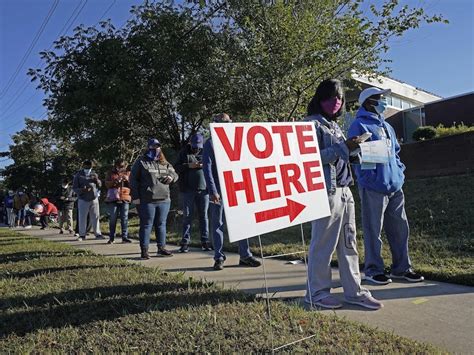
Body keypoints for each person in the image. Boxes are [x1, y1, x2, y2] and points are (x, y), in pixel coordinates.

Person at [303, 79, 383, 310]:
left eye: (339, 98)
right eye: (331, 97)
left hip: (346, 189)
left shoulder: (335, 126)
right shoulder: (311, 125)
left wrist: (355, 150)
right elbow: (312, 160)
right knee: (323, 244)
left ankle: (354, 290)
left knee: (349, 242)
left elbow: (340, 156)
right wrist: (343, 148)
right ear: (320, 99)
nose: (336, 102)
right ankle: (316, 292)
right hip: (325, 191)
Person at [348, 87, 424, 284]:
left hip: (395, 186)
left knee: (400, 230)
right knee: (374, 230)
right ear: (368, 102)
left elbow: (396, 152)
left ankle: (402, 268)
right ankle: (374, 269)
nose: (383, 101)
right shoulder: (359, 124)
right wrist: (370, 178)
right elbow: (355, 155)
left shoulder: (387, 126)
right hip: (373, 187)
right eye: (379, 98)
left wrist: (399, 172)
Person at [202, 113, 261, 271]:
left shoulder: (237, 141)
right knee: (218, 224)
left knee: (242, 222)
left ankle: (245, 255)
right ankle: (219, 257)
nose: (225, 125)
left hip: (236, 187)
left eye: (228, 122)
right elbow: (206, 169)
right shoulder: (210, 144)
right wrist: (213, 190)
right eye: (222, 123)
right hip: (219, 190)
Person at [130, 138, 179, 259]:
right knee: (146, 224)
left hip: (164, 199)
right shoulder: (141, 162)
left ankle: (161, 248)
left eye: (157, 146)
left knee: (161, 224)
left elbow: (175, 174)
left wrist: (171, 177)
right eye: (152, 146)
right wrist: (135, 197)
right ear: (148, 147)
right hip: (147, 200)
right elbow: (133, 180)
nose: (155, 149)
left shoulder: (164, 162)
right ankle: (144, 250)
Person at [175, 133, 211, 253]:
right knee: (187, 216)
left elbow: (212, 166)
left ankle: (205, 241)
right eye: (194, 145)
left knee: (204, 216)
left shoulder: (205, 151)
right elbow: (176, 167)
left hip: (204, 190)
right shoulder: (183, 152)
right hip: (187, 190)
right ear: (190, 143)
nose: (196, 148)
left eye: (199, 145)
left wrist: (203, 165)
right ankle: (185, 242)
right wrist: (188, 166)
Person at [73, 160, 104, 241]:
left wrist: (97, 180)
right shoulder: (78, 175)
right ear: (83, 166)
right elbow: (74, 188)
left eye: (90, 167)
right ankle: (82, 235)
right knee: (82, 217)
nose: (88, 168)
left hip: (94, 198)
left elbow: (100, 185)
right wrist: (82, 190)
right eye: (86, 167)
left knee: (96, 217)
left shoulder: (94, 174)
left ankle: (98, 234)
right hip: (83, 199)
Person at [105, 159, 132, 244]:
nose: (121, 168)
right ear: (115, 165)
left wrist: (127, 179)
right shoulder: (110, 173)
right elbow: (106, 184)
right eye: (119, 166)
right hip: (113, 198)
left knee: (124, 218)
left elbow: (133, 185)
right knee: (113, 218)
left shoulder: (128, 173)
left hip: (124, 197)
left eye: (123, 166)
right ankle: (111, 237)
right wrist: (115, 181)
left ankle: (125, 237)